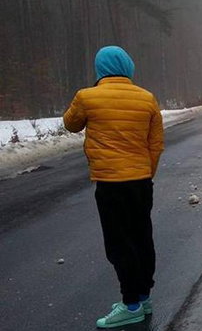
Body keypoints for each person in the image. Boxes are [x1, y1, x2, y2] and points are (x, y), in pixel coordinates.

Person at [63, 46, 163, 328]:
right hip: (141, 182)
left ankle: (130, 304)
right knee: (142, 237)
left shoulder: (87, 96)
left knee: (119, 244)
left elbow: (71, 124)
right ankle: (143, 297)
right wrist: (146, 172)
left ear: (100, 69)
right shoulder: (147, 98)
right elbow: (155, 144)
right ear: (129, 67)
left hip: (110, 183)